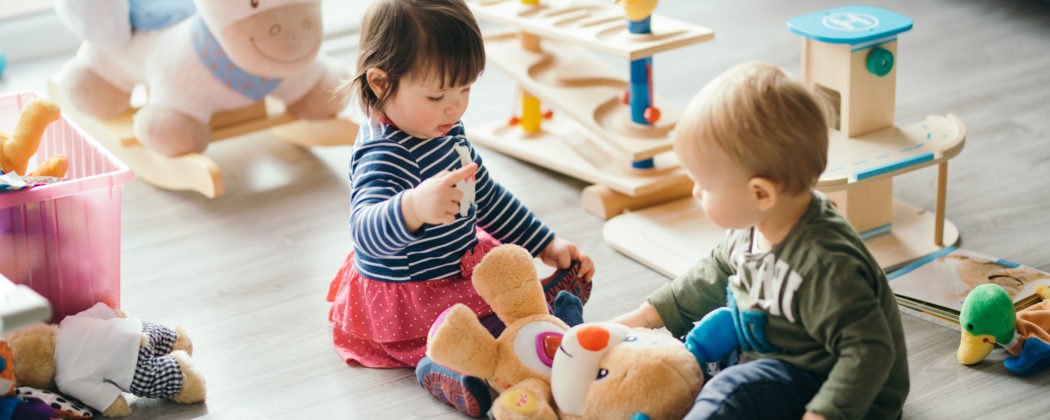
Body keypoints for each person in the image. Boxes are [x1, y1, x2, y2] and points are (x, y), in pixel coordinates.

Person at [325, 0, 594, 417]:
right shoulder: (384, 155)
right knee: (457, 334)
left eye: (465, 89)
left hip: (456, 264)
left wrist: (545, 242)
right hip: (412, 293)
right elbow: (364, 234)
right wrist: (412, 207)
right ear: (380, 83)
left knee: (507, 271)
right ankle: (448, 372)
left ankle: (536, 313)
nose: (455, 107)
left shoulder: (447, 130)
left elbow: (484, 195)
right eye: (437, 95)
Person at [612, 62, 909, 420]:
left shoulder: (826, 265)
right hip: (772, 357)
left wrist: (822, 414)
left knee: (727, 393)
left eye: (705, 186)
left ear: (760, 193)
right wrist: (641, 318)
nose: (695, 191)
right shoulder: (755, 224)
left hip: (837, 392)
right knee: (684, 357)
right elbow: (713, 272)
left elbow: (870, 351)